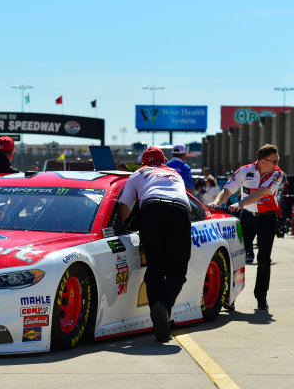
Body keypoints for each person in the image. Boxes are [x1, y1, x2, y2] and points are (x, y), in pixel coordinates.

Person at [117, 147, 191, 342]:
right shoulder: (174, 172)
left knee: (155, 270)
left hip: (151, 211)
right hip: (179, 212)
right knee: (177, 271)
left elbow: (124, 208)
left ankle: (159, 316)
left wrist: (120, 226)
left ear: (143, 163)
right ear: (164, 160)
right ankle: (164, 307)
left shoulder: (138, 174)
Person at [208, 144, 283, 311]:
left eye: (278, 160)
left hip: (267, 219)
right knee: (238, 258)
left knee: (264, 260)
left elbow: (263, 192)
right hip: (247, 218)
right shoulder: (244, 171)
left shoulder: (277, 173)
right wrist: (215, 203)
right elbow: (227, 191)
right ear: (263, 161)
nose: (277, 163)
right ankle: (230, 298)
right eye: (274, 160)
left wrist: (240, 203)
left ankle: (261, 297)